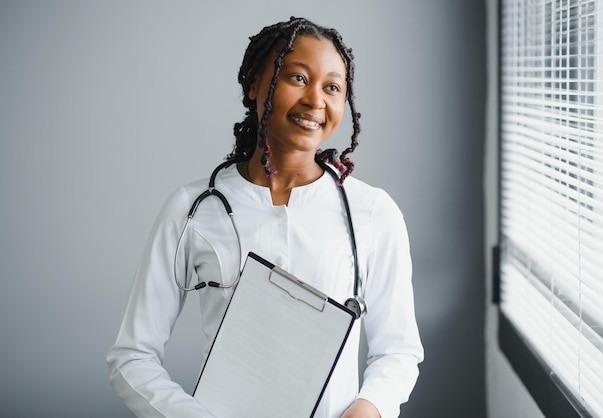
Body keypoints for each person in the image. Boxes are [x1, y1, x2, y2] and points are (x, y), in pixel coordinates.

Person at [106, 16, 424, 418]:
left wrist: (368, 408)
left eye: (332, 87)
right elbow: (131, 355)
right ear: (254, 84)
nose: (315, 100)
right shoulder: (193, 209)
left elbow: (398, 351)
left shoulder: (374, 214)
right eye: (297, 78)